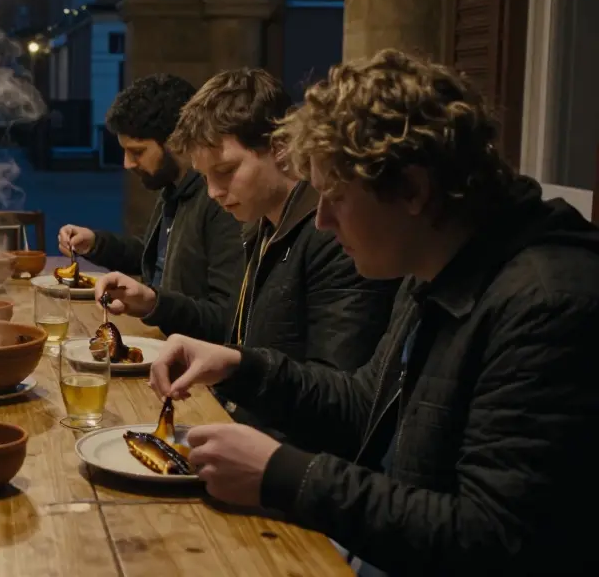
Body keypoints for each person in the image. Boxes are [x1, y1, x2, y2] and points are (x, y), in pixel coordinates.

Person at [149, 50, 599, 575]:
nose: (321, 221)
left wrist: (285, 475)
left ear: (412, 189)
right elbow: (363, 405)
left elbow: (490, 538)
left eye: (336, 197)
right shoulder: (433, 262)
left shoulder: (548, 304)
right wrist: (240, 366)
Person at [115, 67, 396, 438]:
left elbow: (344, 405)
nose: (213, 192)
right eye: (205, 176)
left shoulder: (332, 236)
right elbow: (240, 337)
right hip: (243, 424)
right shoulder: (260, 223)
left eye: (226, 170)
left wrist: (236, 369)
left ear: (281, 148)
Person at [59, 73, 244, 340]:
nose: (127, 164)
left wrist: (153, 304)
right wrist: (96, 244)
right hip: (152, 332)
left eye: (137, 152)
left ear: (177, 141)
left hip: (185, 350)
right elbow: (153, 257)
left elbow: (225, 319)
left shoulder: (220, 201)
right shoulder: (172, 186)